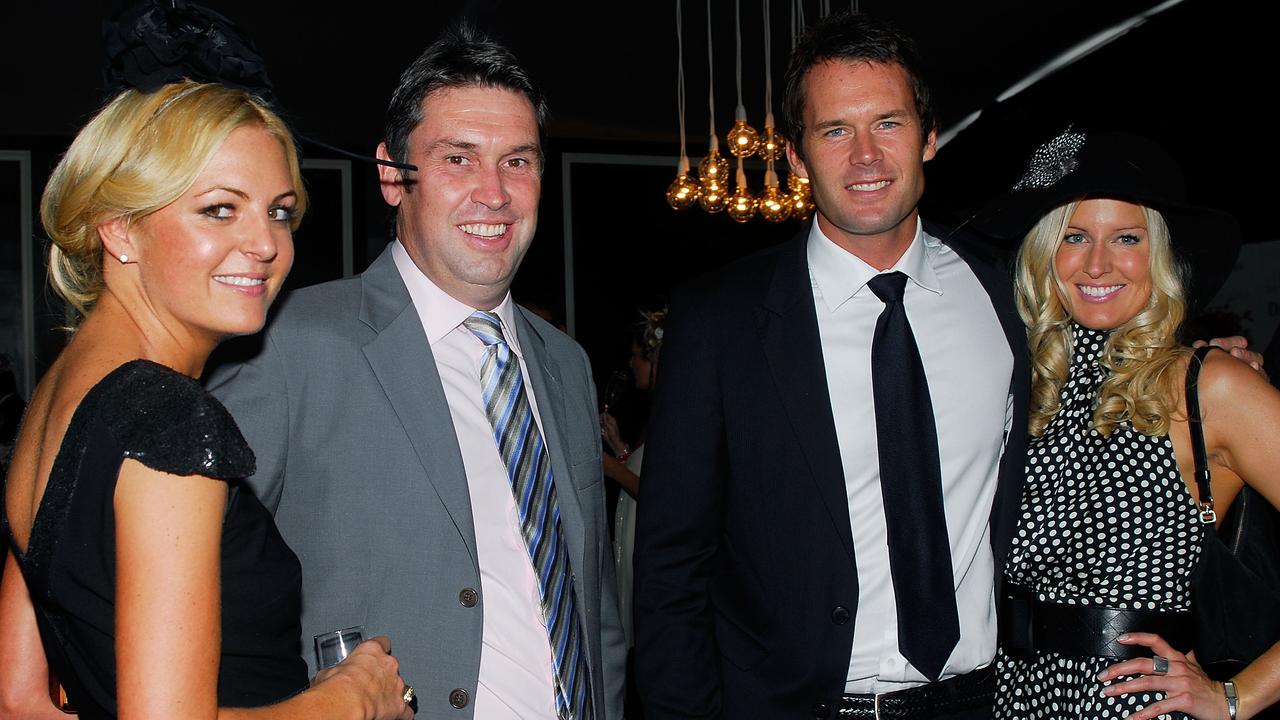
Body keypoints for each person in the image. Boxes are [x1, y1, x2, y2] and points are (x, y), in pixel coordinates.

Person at [205, 25, 625, 720]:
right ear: (393, 176)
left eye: (517, 162)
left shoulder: (565, 364)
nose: (494, 193)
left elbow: (592, 603)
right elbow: (175, 583)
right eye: (458, 159)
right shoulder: (290, 346)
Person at [633, 11, 1030, 719]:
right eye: (835, 131)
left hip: (983, 701)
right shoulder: (720, 322)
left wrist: (1204, 370)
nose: (867, 157)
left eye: (889, 123)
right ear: (794, 156)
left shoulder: (1008, 292)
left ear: (930, 137)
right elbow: (671, 570)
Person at [0, 81, 412, 720]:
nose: (267, 244)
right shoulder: (167, 419)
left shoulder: (58, 396)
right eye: (220, 209)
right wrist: (353, 698)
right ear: (121, 230)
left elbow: (19, 702)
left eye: (278, 211)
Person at [986, 129, 1280, 719]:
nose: (1098, 263)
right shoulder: (1019, 388)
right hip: (1009, 698)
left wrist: (1237, 696)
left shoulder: (1210, 385)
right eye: (1074, 236)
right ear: (1046, 254)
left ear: (1160, 256)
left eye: (1127, 237)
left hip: (1136, 707)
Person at [600, 307, 666, 647]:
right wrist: (619, 446)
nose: (631, 363)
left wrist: (607, 465)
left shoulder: (672, 416)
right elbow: (644, 468)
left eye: (637, 356)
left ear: (656, 361)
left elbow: (659, 493)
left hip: (650, 547)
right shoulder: (653, 414)